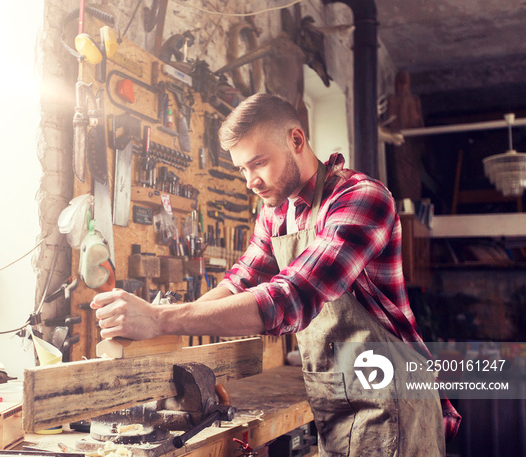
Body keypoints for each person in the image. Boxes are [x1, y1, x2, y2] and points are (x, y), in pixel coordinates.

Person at [91, 93, 460, 455]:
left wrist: (159, 319)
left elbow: (290, 298)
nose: (249, 180)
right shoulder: (276, 213)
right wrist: (159, 333)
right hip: (337, 401)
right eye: (241, 169)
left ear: (296, 140)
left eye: (258, 163)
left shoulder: (361, 198)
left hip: (392, 399)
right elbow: (241, 281)